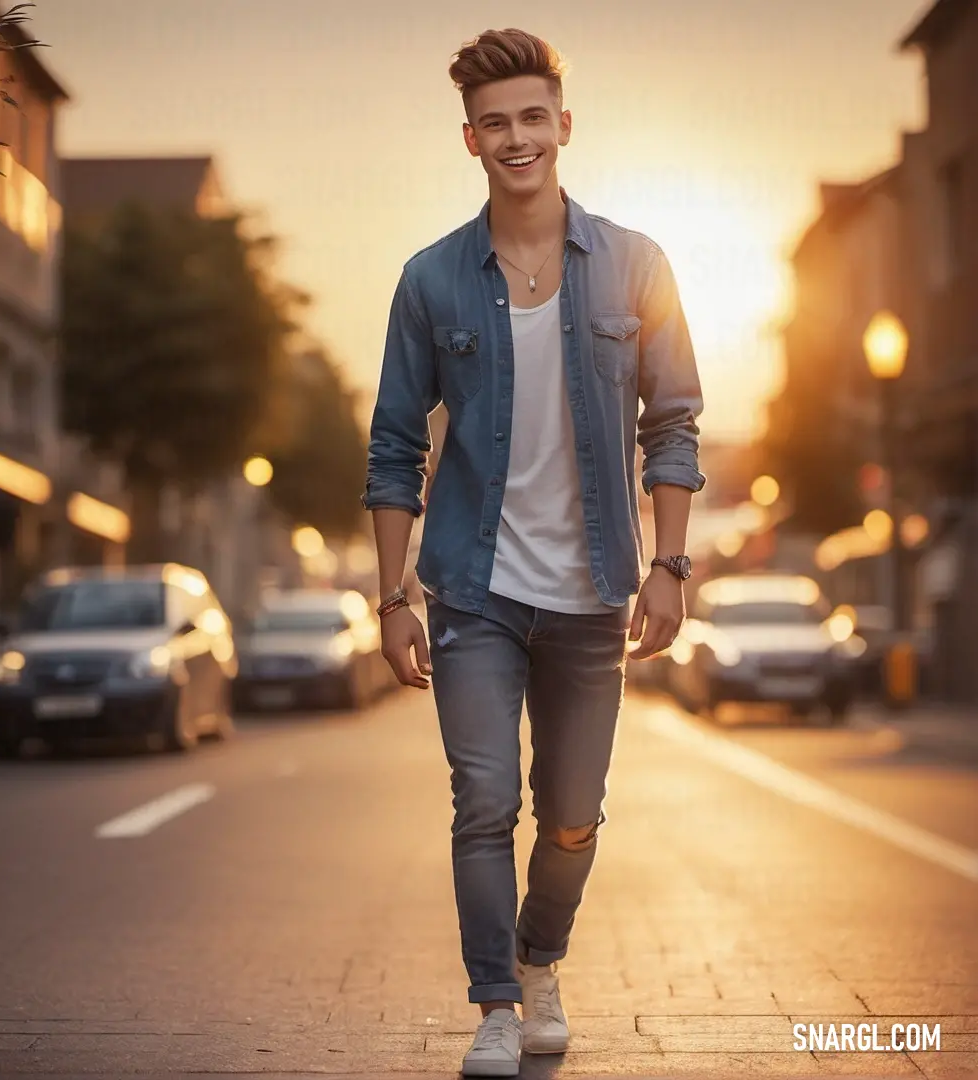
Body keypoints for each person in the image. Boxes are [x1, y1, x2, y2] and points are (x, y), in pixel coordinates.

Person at [361, 27, 705, 1077]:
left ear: (564, 125)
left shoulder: (638, 266)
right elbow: (390, 445)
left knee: (570, 816)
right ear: (472, 139)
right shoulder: (431, 280)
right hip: (473, 587)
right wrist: (390, 596)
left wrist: (669, 565)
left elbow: (676, 422)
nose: (518, 138)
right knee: (484, 801)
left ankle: (541, 956)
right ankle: (498, 1006)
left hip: (596, 589)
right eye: (496, 122)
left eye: (533, 118)